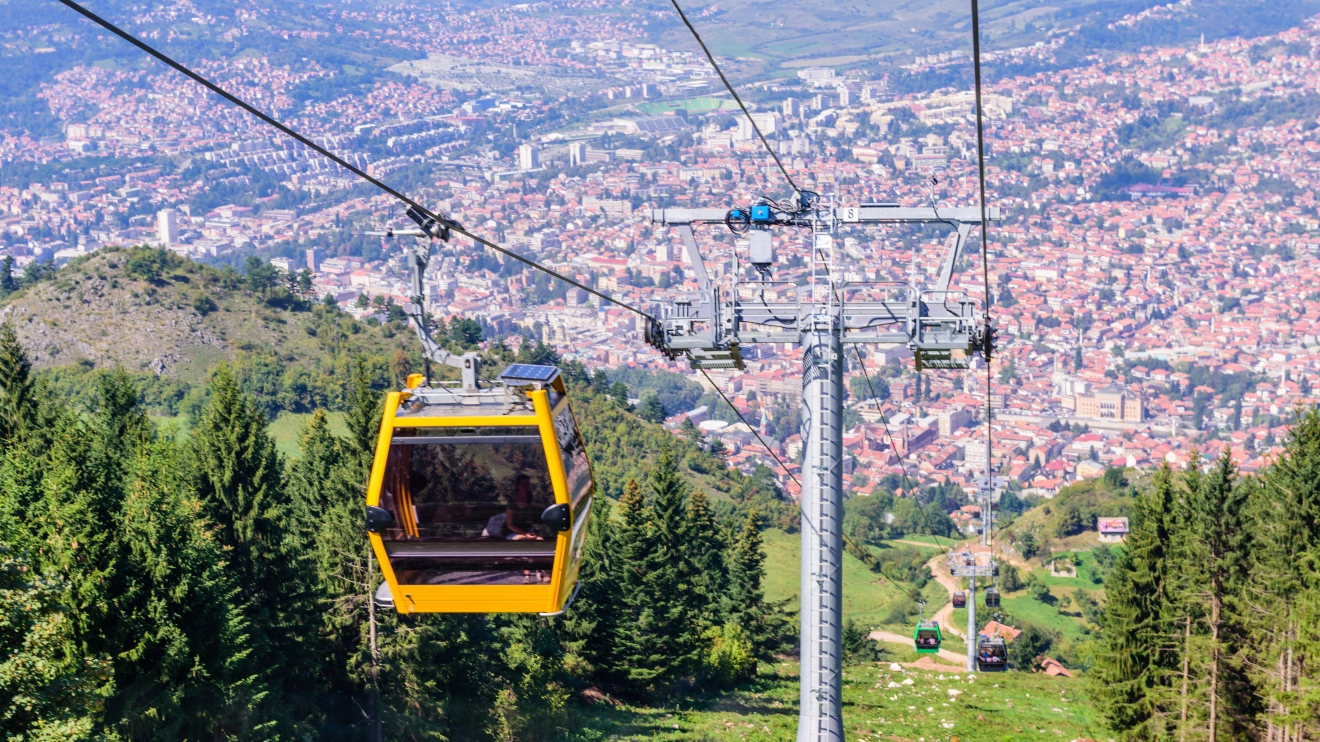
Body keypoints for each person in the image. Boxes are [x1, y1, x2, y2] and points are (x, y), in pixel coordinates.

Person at [483, 475, 543, 541]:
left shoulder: (529, 499)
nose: (526, 487)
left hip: (527, 529)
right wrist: (525, 534)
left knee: (540, 540)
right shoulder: (512, 503)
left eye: (527, 484)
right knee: (523, 540)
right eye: (523, 484)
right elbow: (510, 524)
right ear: (518, 486)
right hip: (512, 532)